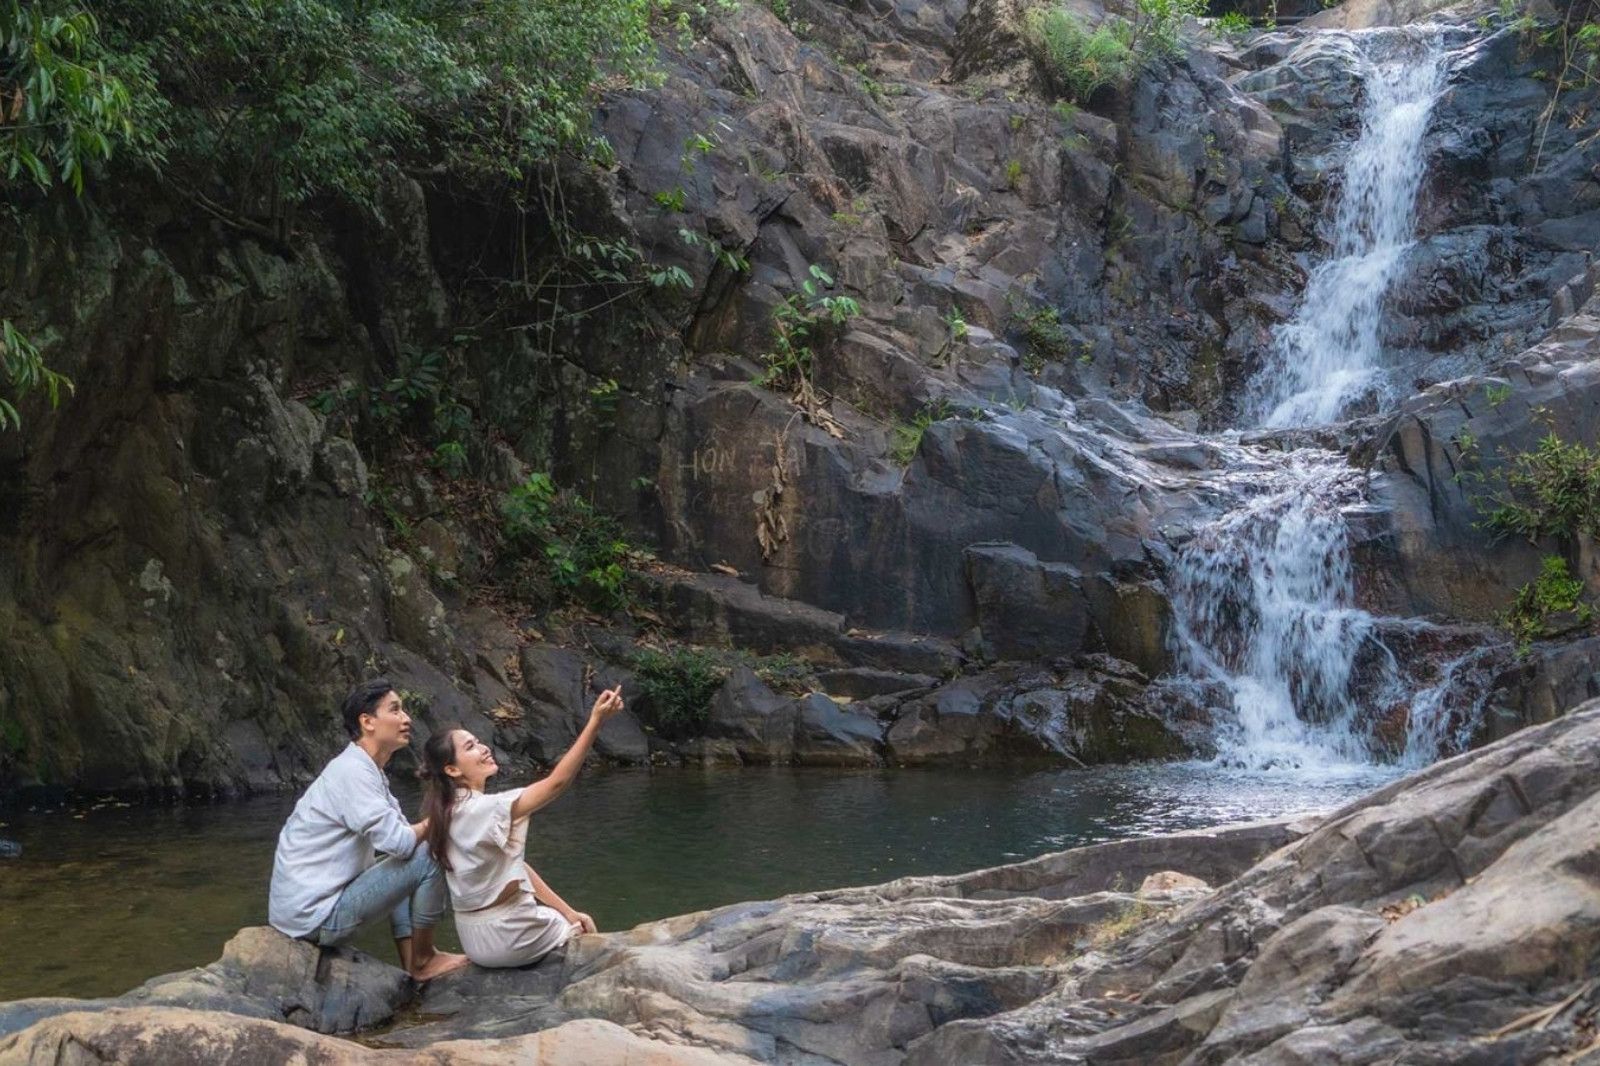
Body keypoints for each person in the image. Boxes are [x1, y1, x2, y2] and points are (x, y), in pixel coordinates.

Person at [268, 679, 468, 980]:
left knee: (410, 853)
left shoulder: (365, 769)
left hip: (302, 912)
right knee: (430, 853)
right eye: (395, 710)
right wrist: (441, 817)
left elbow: (400, 840)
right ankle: (423, 959)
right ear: (368, 722)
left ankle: (411, 961)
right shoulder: (352, 772)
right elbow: (401, 843)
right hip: (313, 918)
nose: (406, 718)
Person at [417, 683, 625, 968]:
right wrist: (595, 722)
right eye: (470, 747)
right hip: (509, 937)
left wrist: (567, 910)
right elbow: (557, 783)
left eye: (478, 741)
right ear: (452, 770)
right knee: (584, 933)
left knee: (565, 917)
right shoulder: (482, 808)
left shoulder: (446, 811)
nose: (484, 748)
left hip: (474, 940)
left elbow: (516, 866)